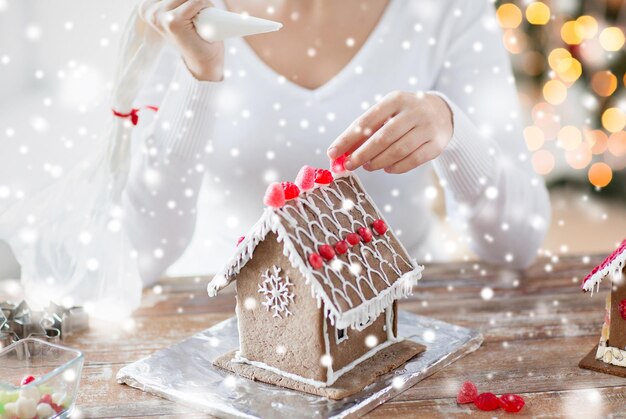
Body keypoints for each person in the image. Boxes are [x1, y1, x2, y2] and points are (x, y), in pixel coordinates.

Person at [123, 0, 551, 285]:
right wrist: (198, 79)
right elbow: (140, 253)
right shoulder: (178, 14)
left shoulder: (447, 9)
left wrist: (453, 129)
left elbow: (517, 243)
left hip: (400, 313)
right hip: (222, 314)